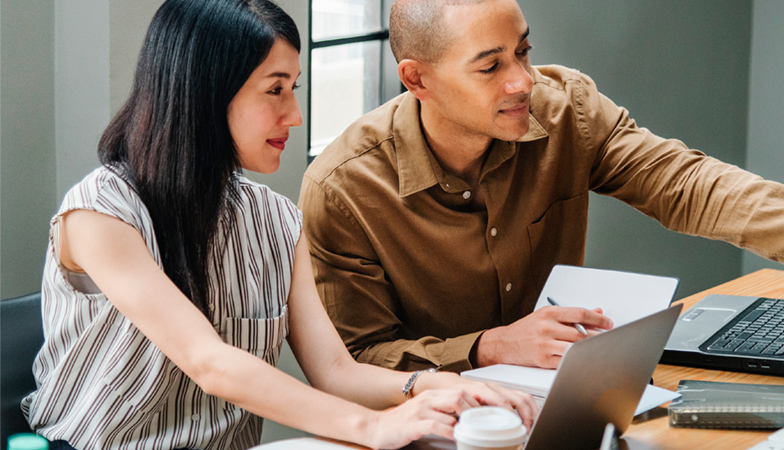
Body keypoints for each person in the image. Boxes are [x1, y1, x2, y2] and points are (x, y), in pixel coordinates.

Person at [21, 1, 536, 449]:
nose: (295, 114)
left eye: (294, 87)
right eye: (275, 91)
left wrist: (432, 388)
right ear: (205, 94)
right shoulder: (99, 211)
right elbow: (208, 362)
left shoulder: (276, 219)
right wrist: (374, 428)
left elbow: (337, 373)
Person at [298, 0, 784, 373]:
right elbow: (356, 359)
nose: (522, 81)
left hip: (566, 398)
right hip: (426, 424)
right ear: (417, 79)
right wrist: (486, 348)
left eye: (524, 51)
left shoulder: (567, 111)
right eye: (491, 65)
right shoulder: (344, 188)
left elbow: (685, 182)